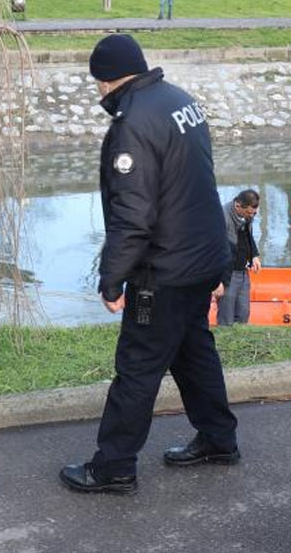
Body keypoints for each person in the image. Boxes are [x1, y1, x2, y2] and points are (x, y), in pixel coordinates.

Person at [60, 34, 238, 495]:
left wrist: (112, 278)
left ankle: (114, 466)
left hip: (164, 269)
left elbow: (133, 216)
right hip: (203, 257)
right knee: (194, 352)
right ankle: (219, 439)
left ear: (104, 80)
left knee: (137, 366)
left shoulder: (132, 123)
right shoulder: (178, 100)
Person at [217, 190, 260, 326]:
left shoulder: (246, 217)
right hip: (228, 274)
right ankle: (225, 342)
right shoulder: (222, 218)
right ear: (238, 205)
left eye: (254, 213)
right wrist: (218, 281)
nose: (251, 216)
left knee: (243, 313)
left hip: (243, 271)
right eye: (249, 213)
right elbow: (216, 250)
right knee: (226, 317)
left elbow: (248, 236)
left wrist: (254, 255)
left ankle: (241, 342)